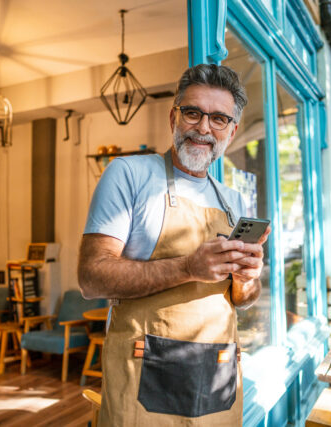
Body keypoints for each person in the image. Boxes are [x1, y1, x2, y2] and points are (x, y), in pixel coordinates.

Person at [78, 64, 270, 427]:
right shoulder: (128, 174)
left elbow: (242, 299)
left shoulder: (232, 200)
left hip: (217, 380)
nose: (203, 127)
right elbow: (90, 278)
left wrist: (247, 279)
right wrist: (187, 268)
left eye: (218, 119)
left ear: (231, 131)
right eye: (193, 112)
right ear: (174, 116)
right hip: (143, 384)